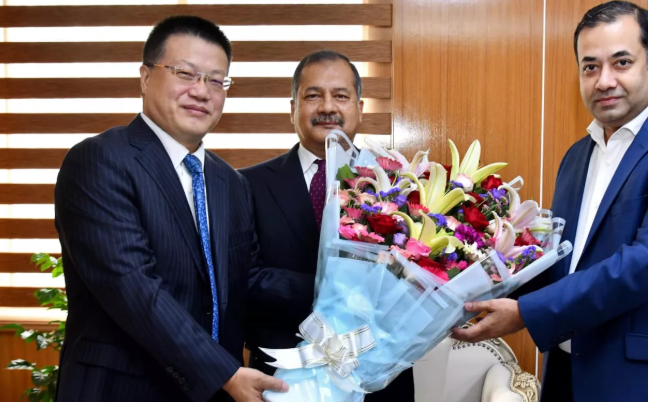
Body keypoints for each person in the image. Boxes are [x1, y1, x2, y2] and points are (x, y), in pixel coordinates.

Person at [451, 2, 648, 402]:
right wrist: (461, 283)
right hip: (568, 377)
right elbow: (561, 263)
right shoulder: (576, 157)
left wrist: (527, 313)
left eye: (621, 63)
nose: (604, 81)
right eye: (590, 67)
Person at [54, 15, 286, 402]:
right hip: (122, 390)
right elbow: (134, 288)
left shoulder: (231, 183)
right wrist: (225, 373)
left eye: (216, 80)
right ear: (146, 77)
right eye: (185, 73)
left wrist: (354, 282)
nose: (202, 91)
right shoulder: (98, 161)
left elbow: (247, 280)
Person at [239, 50, 416, 401]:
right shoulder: (246, 185)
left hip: (379, 381)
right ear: (293, 108)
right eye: (313, 95)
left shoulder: (400, 186)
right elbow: (243, 276)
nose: (327, 107)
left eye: (340, 95)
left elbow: (415, 279)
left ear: (360, 108)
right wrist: (348, 291)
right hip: (281, 381)